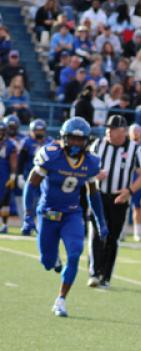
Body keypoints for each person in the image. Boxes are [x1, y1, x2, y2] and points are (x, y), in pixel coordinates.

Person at [22, 117, 108, 317]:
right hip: (48, 212)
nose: (77, 144)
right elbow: (32, 184)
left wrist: (100, 221)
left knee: (76, 252)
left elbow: (93, 193)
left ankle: (61, 300)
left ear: (86, 141)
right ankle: (54, 262)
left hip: (71, 213)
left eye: (80, 140)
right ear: (64, 137)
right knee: (47, 262)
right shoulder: (50, 155)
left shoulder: (91, 161)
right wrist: (28, 214)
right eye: (73, 139)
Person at [88, 115, 141, 288]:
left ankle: (105, 276)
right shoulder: (98, 145)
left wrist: (129, 191)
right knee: (96, 233)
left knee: (112, 237)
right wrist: (94, 174)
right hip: (98, 195)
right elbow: (86, 169)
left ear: (121, 131)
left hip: (119, 198)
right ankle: (94, 272)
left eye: (111, 129)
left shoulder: (135, 149)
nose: (107, 131)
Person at [17, 119, 53, 235]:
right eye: (36, 130)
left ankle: (41, 225)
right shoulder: (26, 142)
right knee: (29, 201)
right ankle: (27, 223)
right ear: (31, 131)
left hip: (45, 179)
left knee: (44, 203)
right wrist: (19, 175)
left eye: (41, 130)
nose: (39, 132)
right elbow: (20, 160)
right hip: (31, 178)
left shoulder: (49, 142)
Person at [0, 121, 17, 234]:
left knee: (5, 202)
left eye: (2, 131)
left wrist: (13, 175)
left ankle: (5, 224)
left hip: (4, 175)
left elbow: (13, 161)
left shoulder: (10, 144)